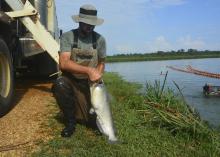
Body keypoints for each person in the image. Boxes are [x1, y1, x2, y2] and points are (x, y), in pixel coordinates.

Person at [52, 4, 106, 137]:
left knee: (91, 120)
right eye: (87, 23)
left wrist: (98, 75)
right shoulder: (67, 37)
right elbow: (63, 63)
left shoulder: (100, 40)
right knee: (60, 84)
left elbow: (102, 63)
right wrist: (88, 70)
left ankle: (84, 114)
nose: (90, 26)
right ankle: (70, 122)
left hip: (89, 84)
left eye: (92, 24)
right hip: (71, 81)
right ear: (80, 21)